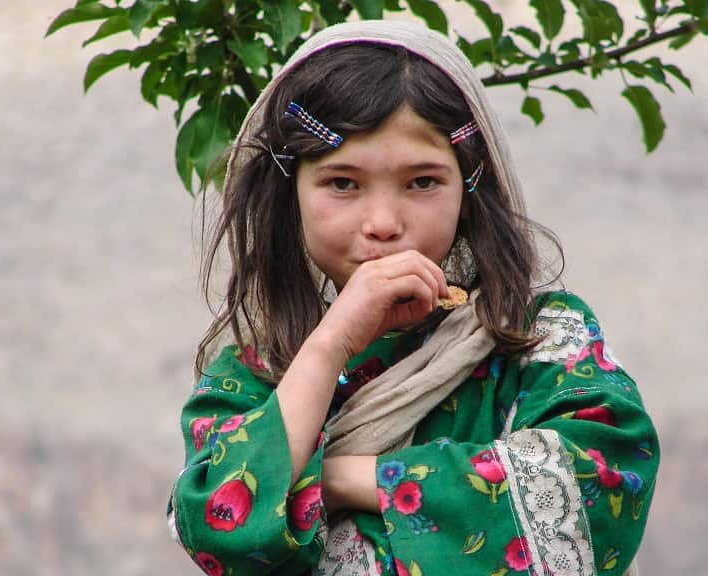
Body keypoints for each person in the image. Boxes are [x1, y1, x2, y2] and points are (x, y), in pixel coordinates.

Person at [167, 19, 659, 576]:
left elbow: (604, 485)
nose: (382, 223)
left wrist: (342, 480)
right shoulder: (256, 374)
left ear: (470, 188)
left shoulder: (539, 340)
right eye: (342, 183)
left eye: (423, 182)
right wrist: (329, 345)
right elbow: (218, 526)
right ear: (292, 196)